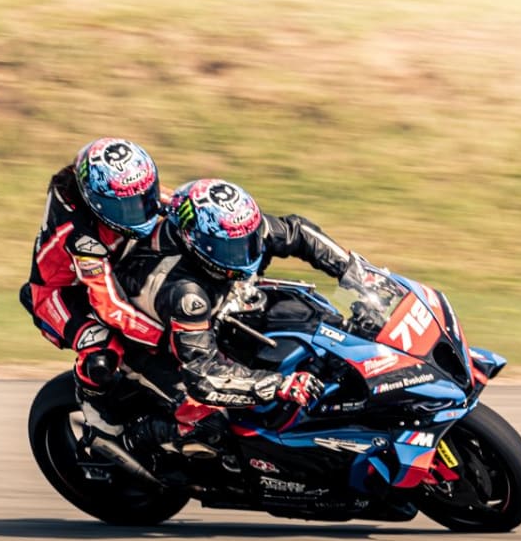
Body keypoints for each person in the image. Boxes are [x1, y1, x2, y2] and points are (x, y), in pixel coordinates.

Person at [113, 178, 352, 457]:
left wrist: (354, 270)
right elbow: (204, 377)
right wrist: (279, 385)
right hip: (153, 347)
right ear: (196, 243)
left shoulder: (234, 230)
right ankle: (133, 441)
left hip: (212, 315)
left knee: (305, 313)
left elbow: (297, 232)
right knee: (212, 423)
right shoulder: (186, 294)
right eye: (232, 248)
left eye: (247, 241)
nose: (245, 252)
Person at [22, 138, 167, 437]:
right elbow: (109, 306)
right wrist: (162, 338)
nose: (139, 210)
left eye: (143, 198)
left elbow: (173, 203)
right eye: (127, 206)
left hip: (108, 265)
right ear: (96, 202)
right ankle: (97, 416)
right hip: (60, 294)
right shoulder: (79, 233)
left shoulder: (119, 190)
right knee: (101, 350)